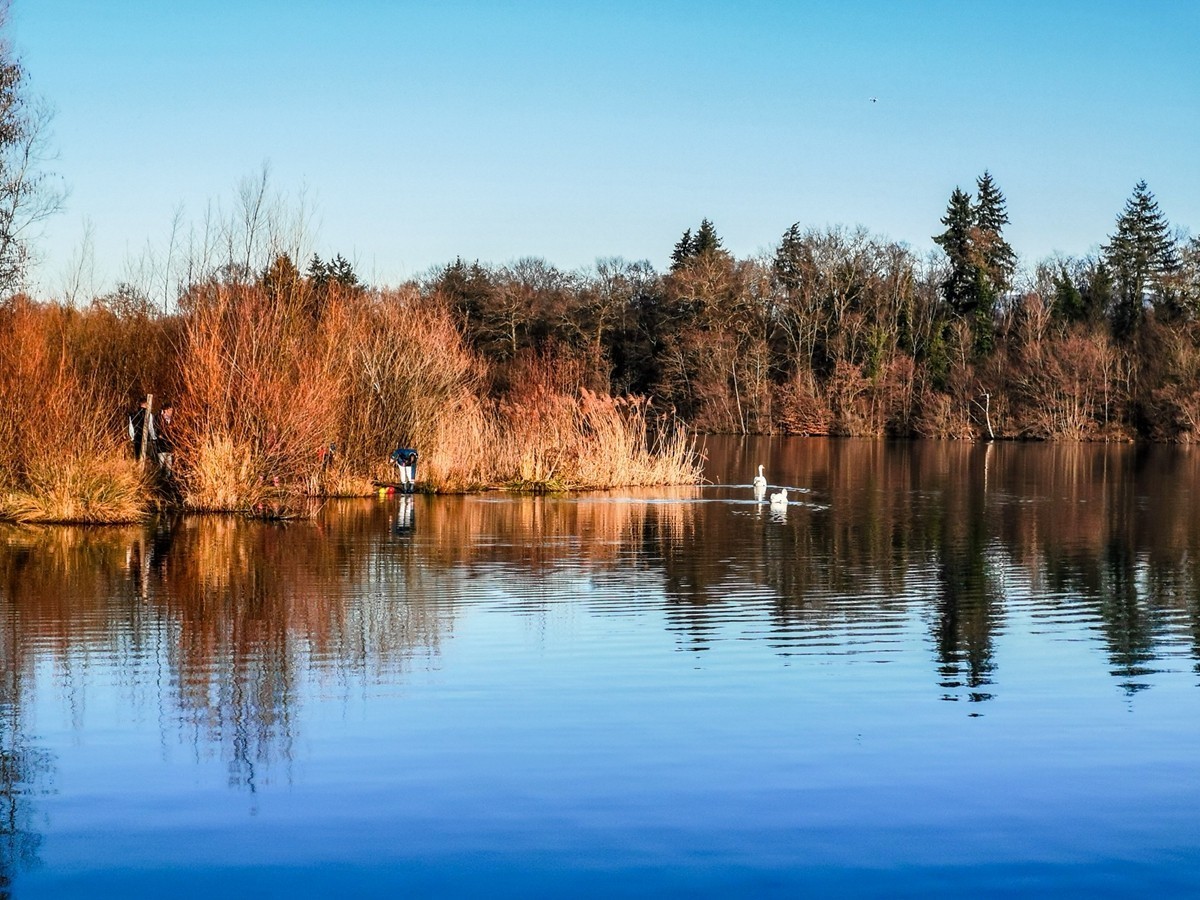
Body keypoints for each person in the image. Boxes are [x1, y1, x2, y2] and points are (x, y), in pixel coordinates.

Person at [156, 403, 176, 472]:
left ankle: (167, 478)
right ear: (165, 410)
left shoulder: (173, 421)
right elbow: (159, 434)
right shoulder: (159, 419)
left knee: (169, 467)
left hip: (169, 447)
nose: (171, 412)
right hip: (161, 446)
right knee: (160, 465)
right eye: (170, 410)